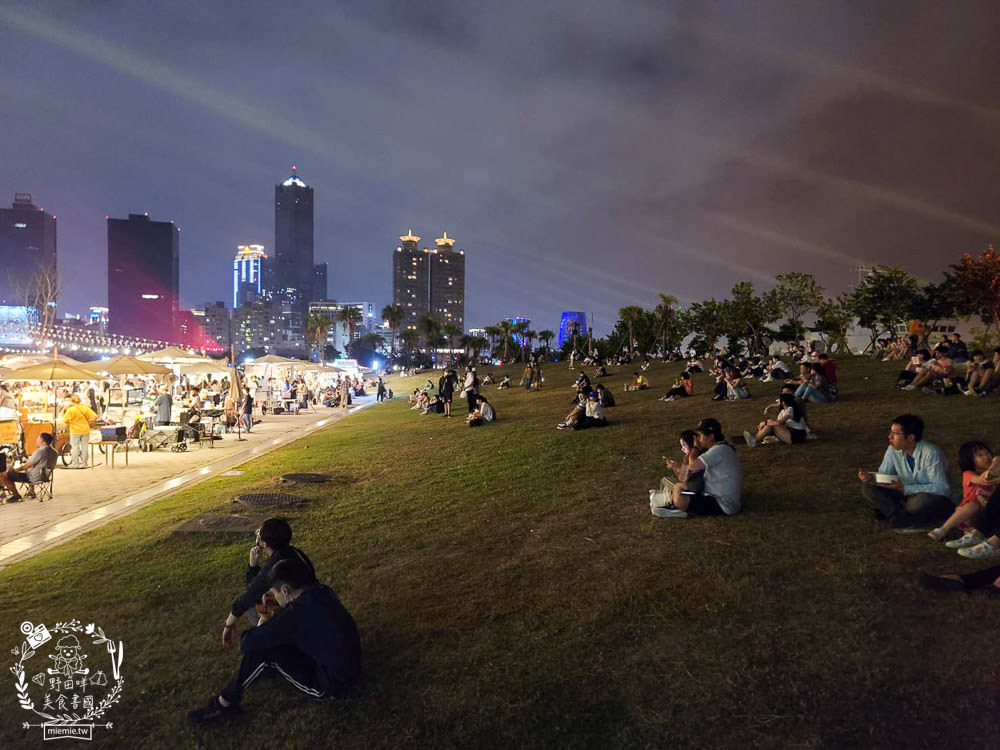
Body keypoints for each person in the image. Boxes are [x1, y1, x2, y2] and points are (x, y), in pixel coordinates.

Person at [187, 557, 360, 725]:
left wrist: (264, 618)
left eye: (274, 592)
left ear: (285, 590)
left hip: (331, 682)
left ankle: (224, 704)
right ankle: (250, 681)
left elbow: (247, 643)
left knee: (262, 650)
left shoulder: (295, 617)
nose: (272, 596)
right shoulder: (321, 591)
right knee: (273, 640)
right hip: (348, 665)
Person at [858, 414, 953, 528]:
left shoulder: (931, 453)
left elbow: (942, 488)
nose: (890, 437)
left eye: (895, 434)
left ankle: (897, 513)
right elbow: (885, 475)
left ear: (910, 438)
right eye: (890, 432)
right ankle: (899, 516)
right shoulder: (893, 450)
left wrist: (906, 488)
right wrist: (872, 478)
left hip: (930, 496)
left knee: (916, 504)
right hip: (905, 493)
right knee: (868, 488)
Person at [226, 518, 315, 630]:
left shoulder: (277, 564)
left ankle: (267, 633)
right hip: (310, 602)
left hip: (300, 612)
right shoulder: (294, 552)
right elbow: (255, 587)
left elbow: (251, 595)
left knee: (253, 608)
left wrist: (228, 625)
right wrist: (253, 566)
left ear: (264, 544)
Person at [651, 418, 743, 519]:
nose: (698, 439)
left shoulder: (719, 450)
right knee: (675, 485)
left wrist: (695, 448)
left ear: (711, 437)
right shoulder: (721, 448)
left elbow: (692, 468)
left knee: (678, 489)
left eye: (700, 435)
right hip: (713, 496)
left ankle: (677, 509)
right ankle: (673, 503)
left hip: (722, 503)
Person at [927, 441, 998, 545]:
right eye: (980, 455)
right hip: (967, 515)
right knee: (973, 505)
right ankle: (943, 529)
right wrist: (994, 466)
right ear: (970, 460)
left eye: (987, 453)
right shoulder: (968, 474)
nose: (986, 457)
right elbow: (983, 480)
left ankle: (977, 535)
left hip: (987, 513)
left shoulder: (996, 475)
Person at [651, 430, 704, 511]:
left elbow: (684, 480)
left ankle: (669, 503)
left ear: (691, 443)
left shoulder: (695, 458)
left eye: (684, 445)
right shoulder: (689, 457)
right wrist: (674, 467)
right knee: (666, 480)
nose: (682, 449)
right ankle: (666, 500)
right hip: (688, 488)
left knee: (673, 486)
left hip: (693, 492)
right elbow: (682, 478)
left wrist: (676, 467)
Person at [0, 432, 59, 502]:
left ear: (42, 440)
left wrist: (14, 470)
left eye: (38, 438)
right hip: (46, 476)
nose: (37, 440)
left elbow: (26, 466)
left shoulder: (39, 452)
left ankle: (16, 496)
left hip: (35, 477)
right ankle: (31, 491)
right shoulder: (55, 452)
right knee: (30, 469)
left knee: (4, 475)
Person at [744, 393, 809, 447]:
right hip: (790, 432)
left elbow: (779, 423)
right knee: (770, 423)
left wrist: (765, 423)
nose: (778, 402)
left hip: (797, 436)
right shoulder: (784, 410)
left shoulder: (790, 410)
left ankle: (754, 440)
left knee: (771, 422)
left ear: (783, 402)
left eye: (779, 400)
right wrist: (769, 408)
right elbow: (776, 422)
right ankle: (755, 440)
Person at [61, 394, 98, 469]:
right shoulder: (85, 408)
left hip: (75, 430)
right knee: (85, 446)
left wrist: (71, 422)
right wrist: (88, 420)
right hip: (85, 430)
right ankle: (84, 463)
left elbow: (65, 420)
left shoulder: (70, 410)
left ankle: (75, 463)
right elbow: (95, 416)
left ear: (72, 401)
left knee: (75, 447)